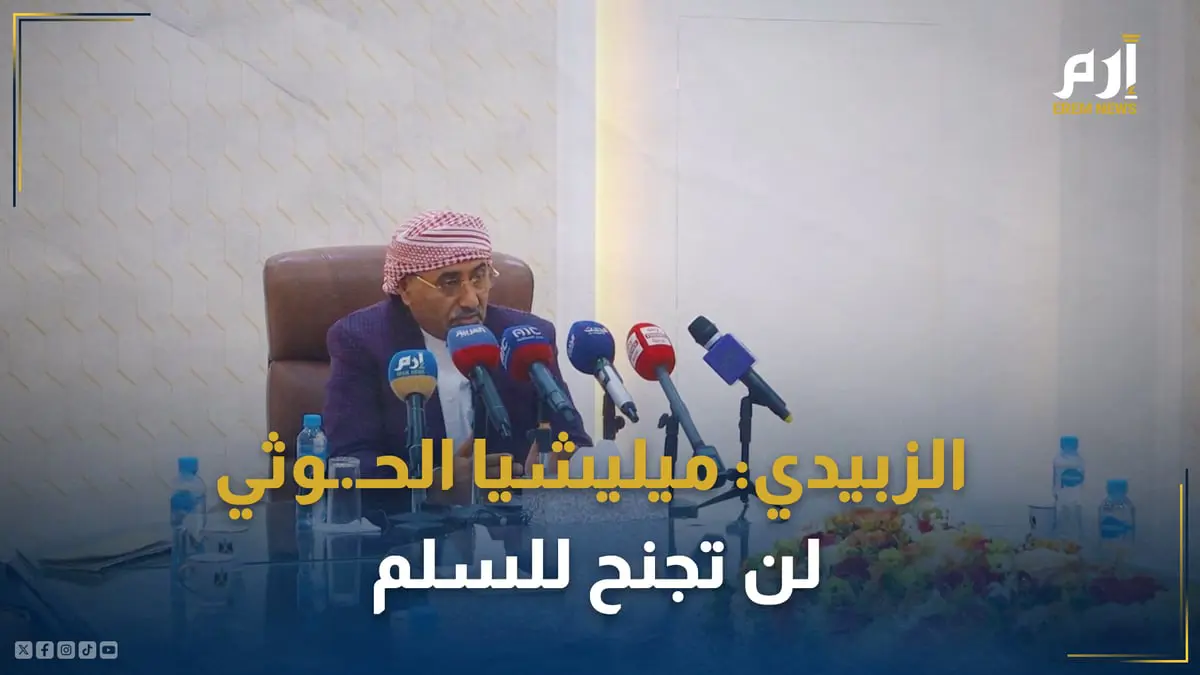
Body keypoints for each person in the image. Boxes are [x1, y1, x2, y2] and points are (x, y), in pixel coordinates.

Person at [323, 210, 591, 507]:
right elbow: (347, 462)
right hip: (408, 530)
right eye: (449, 282)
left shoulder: (527, 336)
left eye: (479, 277)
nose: (471, 299)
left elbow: (572, 439)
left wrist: (555, 469)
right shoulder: (361, 340)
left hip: (512, 522)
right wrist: (428, 490)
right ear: (405, 288)